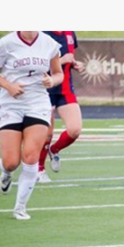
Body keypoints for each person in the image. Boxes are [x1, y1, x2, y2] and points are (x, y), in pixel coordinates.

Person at [0, 31, 63, 220]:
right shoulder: (6, 42)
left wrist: (52, 80)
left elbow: (59, 74)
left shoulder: (48, 43)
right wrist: (8, 86)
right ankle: (6, 172)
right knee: (11, 162)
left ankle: (20, 207)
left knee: (31, 155)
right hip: (10, 103)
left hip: (38, 103)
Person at [37, 31, 83, 183]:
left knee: (75, 129)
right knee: (47, 133)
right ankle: (39, 170)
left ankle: (54, 149)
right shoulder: (41, 33)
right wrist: (62, 60)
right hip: (45, 89)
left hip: (65, 89)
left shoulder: (70, 32)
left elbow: (70, 58)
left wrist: (75, 64)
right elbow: (35, 64)